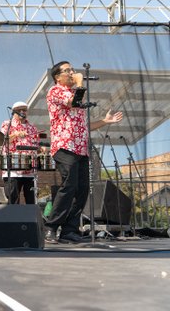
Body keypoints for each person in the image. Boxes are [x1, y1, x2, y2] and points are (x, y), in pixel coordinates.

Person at [45, 61, 123, 243]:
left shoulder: (74, 95)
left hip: (81, 148)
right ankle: (51, 228)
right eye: (68, 70)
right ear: (58, 77)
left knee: (82, 190)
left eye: (73, 70)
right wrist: (80, 83)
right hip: (65, 146)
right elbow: (74, 102)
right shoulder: (55, 91)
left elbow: (84, 126)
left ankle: (69, 230)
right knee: (69, 185)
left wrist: (105, 121)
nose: (72, 73)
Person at [0, 101, 40, 204]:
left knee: (31, 201)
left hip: (29, 170)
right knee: (13, 200)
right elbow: (3, 141)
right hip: (13, 169)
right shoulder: (7, 124)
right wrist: (16, 134)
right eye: (19, 110)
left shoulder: (32, 128)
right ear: (14, 112)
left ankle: (31, 220)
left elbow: (37, 146)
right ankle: (13, 220)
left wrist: (41, 149)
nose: (22, 112)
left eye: (24, 110)